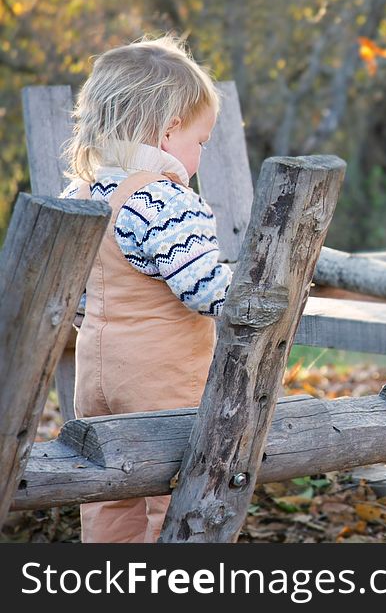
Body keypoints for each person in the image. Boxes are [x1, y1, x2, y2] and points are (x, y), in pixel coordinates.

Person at [60, 36, 232, 543]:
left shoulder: (83, 192)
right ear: (168, 131)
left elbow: (79, 292)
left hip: (95, 370)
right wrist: (256, 292)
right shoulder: (165, 202)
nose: (199, 154)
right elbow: (203, 287)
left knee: (108, 484)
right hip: (162, 375)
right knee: (176, 487)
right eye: (200, 141)